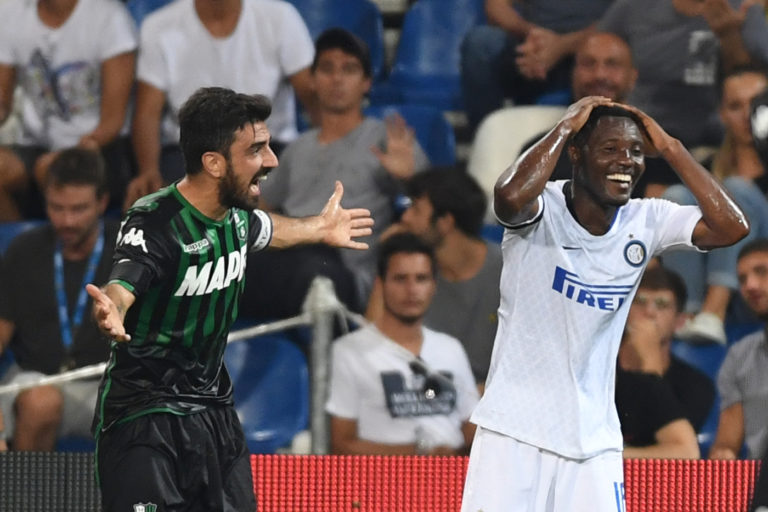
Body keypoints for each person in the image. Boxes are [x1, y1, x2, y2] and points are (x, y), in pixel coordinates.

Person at [86, 87, 373, 511]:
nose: (272, 161)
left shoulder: (234, 219)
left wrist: (317, 227)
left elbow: (268, 230)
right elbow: (126, 281)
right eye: (257, 150)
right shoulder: (154, 219)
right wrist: (113, 307)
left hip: (214, 414)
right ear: (214, 163)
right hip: (145, 418)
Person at [460, 97, 749, 512]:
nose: (625, 161)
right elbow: (507, 197)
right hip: (513, 432)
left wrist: (670, 148)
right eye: (610, 148)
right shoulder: (544, 207)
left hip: (593, 441)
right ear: (577, 154)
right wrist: (563, 128)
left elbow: (731, 227)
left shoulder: (646, 219)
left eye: (634, 150)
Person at [259, 28, 429, 306]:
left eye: (349, 70)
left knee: (310, 269)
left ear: (367, 83)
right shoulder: (296, 148)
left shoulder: (386, 139)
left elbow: (433, 203)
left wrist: (411, 179)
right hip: (291, 255)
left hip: (343, 268)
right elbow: (261, 204)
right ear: (312, 80)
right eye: (327, 69)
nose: (337, 79)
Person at [124, 0, 316, 209]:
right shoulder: (159, 26)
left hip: (269, 147)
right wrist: (149, 170)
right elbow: (147, 114)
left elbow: (315, 98)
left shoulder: (280, 18)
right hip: (190, 153)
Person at [0, 148, 116, 451]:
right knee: (40, 401)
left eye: (78, 209)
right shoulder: (23, 251)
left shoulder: (128, 250)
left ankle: (135, 500)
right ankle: (21, 497)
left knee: (148, 413)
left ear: (102, 203)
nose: (66, 220)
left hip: (108, 384)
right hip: (35, 380)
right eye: (56, 207)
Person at [326, 233, 479, 455]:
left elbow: (470, 428)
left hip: (455, 478)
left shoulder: (451, 348)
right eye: (400, 278)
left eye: (421, 278)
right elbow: (342, 444)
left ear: (433, 285)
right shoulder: (349, 351)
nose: (412, 289)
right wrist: (420, 454)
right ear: (380, 284)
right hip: (384, 482)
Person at [0, 0, 137, 219]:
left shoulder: (110, 18)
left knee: (55, 169)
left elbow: (113, 121)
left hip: (102, 146)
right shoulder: (9, 14)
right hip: (36, 145)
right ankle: (21, 247)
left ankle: (68, 247)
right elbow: (2, 98)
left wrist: (82, 147)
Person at [366, 169, 502, 388]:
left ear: (445, 222)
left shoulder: (507, 271)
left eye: (416, 210)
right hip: (424, 397)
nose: (405, 217)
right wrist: (389, 262)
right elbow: (372, 346)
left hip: (492, 402)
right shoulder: (412, 275)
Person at [661, 67, 768, 344]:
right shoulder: (706, 167)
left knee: (733, 192)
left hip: (758, 286)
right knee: (676, 196)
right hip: (702, 278)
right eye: (736, 106)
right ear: (722, 114)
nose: (748, 115)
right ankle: (689, 311)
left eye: (757, 103)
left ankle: (714, 311)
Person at [598, 0, 768, 154]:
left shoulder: (744, 8)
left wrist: (730, 37)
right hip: (645, 138)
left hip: (725, 143)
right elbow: (597, 51)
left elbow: (756, 84)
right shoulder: (632, 8)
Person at [460, 0, 614, 132]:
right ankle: (488, 142)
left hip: (592, 46)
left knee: (608, 52)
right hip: (532, 48)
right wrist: (534, 36)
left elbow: (626, 17)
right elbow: (496, 7)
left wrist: (561, 46)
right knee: (481, 44)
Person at [519, 31, 639, 183]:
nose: (599, 75)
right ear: (573, 74)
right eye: (589, 64)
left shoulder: (657, 151)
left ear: (632, 77)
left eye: (612, 65)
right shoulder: (539, 155)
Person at [617, 266, 716, 433]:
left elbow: (677, 446)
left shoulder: (697, 385)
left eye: (661, 305)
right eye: (639, 302)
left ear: (680, 321)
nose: (649, 312)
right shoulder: (598, 369)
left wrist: (651, 365)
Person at [709, 238, 768, 460]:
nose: (750, 285)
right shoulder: (739, 356)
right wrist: (722, 456)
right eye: (742, 279)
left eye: (761, 272)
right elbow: (727, 444)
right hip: (762, 484)